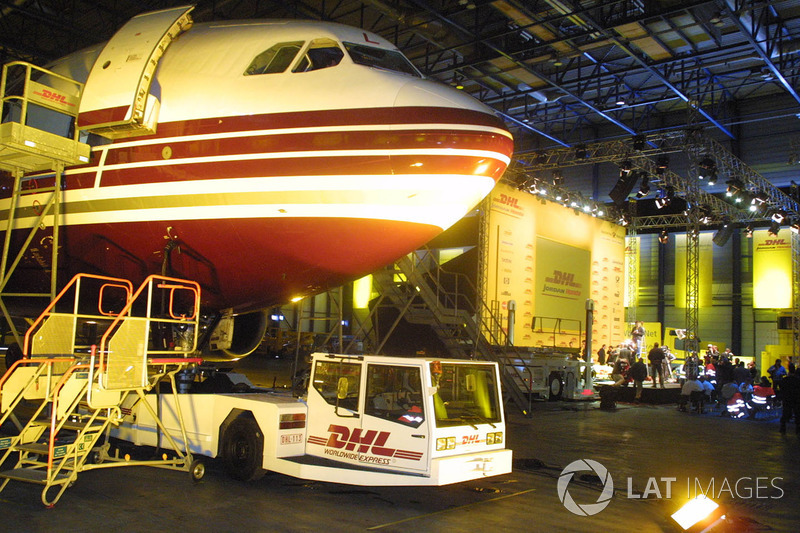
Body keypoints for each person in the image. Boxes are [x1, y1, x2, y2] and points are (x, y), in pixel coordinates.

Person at [779, 366, 800, 434]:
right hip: (796, 398)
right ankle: (797, 429)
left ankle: (783, 427)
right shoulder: (797, 380)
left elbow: (781, 388)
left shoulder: (785, 380)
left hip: (787, 398)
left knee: (785, 412)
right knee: (797, 413)